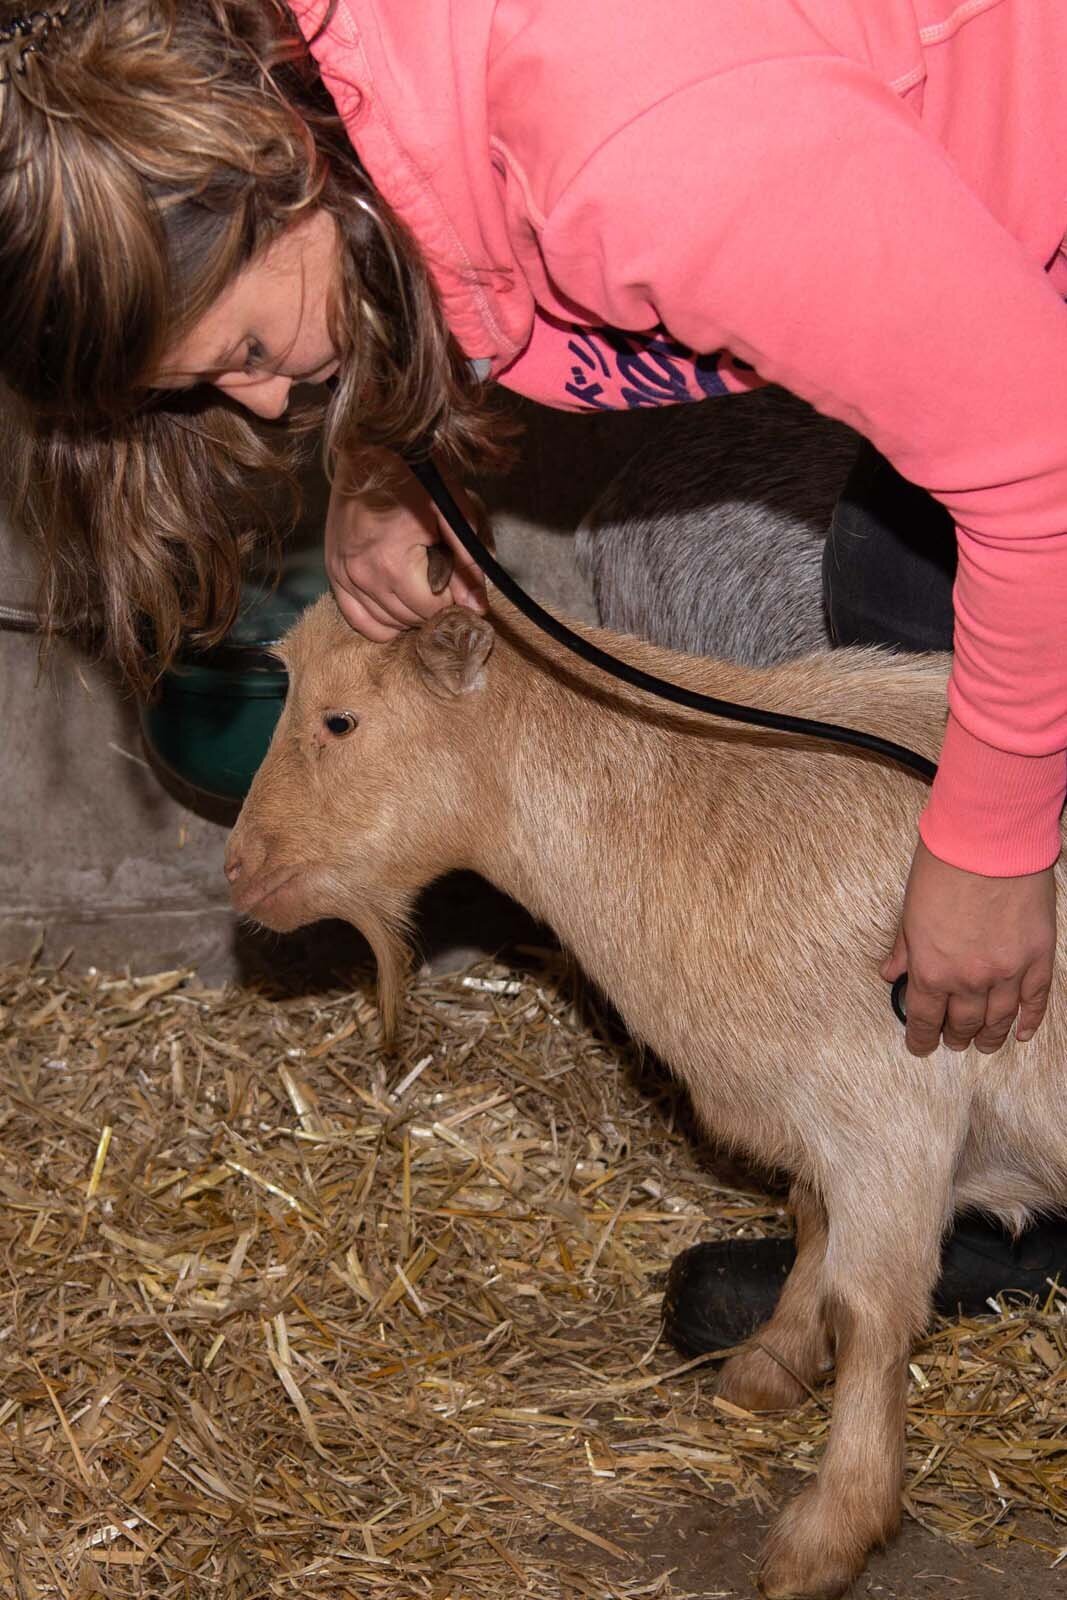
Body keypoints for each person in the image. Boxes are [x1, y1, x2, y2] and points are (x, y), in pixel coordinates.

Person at [2, 0, 1066, 1332]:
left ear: (279, 171)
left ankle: (1012, 1163)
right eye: (213, 391)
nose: (271, 406)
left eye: (254, 354)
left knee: (918, 616)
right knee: (789, 567)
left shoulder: (633, 154)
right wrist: (391, 442)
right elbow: (464, 237)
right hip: (999, 273)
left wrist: (990, 846)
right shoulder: (385, 102)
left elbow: (1041, 467)